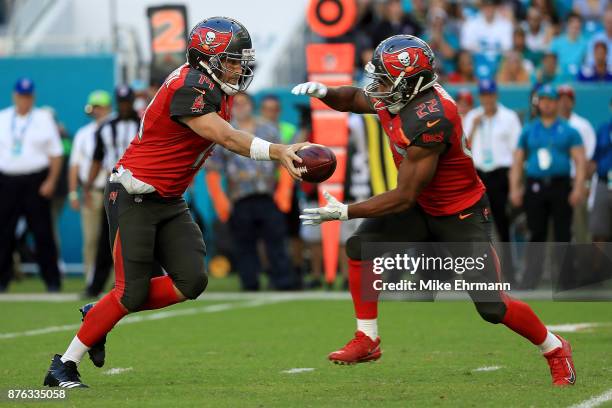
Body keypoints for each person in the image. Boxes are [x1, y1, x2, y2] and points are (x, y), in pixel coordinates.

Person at [292, 35, 576, 386]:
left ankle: (554, 347)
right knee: (360, 248)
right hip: (423, 204)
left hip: (459, 213)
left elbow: (405, 196)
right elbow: (353, 97)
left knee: (492, 307)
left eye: (384, 78)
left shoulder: (432, 117)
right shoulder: (397, 95)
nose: (377, 86)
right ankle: (367, 339)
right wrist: (325, 92)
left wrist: (346, 212)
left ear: (410, 84)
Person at [44, 17, 307, 388]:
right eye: (231, 60)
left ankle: (99, 314)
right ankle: (64, 365)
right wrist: (277, 150)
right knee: (130, 291)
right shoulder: (190, 84)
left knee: (192, 280)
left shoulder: (212, 85)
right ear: (207, 58)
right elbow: (224, 136)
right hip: (134, 195)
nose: (238, 67)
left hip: (167, 199)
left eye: (239, 59)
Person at [205, 92, 296, 291]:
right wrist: (221, 201)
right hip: (239, 198)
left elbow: (284, 160)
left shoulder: (268, 128)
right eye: (235, 103)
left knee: (276, 240)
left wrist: (284, 194)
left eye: (243, 103)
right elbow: (213, 169)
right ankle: (250, 283)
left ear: (251, 106)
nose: (240, 107)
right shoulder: (224, 132)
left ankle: (283, 281)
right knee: (244, 244)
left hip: (267, 195)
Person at [509, 85, 587, 289]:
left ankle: (566, 280)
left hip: (560, 184)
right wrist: (515, 188)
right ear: (538, 103)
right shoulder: (528, 129)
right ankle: (530, 279)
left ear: (556, 102)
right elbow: (518, 160)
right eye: (542, 100)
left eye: (550, 100)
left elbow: (580, 160)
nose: (546, 103)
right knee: (536, 232)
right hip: (535, 185)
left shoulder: (569, 130)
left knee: (562, 232)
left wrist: (578, 187)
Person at [0, 78, 64, 292]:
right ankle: (2, 279)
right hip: (7, 180)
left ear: (33, 97)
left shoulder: (43, 118)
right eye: (21, 95)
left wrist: (51, 180)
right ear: (14, 96)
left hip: (36, 181)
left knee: (42, 232)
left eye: (28, 96)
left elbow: (56, 153)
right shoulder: (3, 118)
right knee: (4, 232)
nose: (24, 100)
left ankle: (52, 280)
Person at [82, 85, 141, 298]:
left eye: (127, 102)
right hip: (115, 187)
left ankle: (152, 280)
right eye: (121, 102)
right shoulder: (106, 128)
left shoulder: (143, 124)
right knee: (107, 238)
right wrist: (88, 186)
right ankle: (95, 286)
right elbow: (97, 159)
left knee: (144, 235)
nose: (125, 106)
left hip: (140, 187)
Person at [463, 79, 521, 281]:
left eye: (490, 95)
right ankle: (482, 273)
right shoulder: (472, 116)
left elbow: (516, 153)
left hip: (499, 174)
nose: (487, 99)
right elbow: (464, 148)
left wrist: (515, 184)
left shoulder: (509, 117)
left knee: (503, 225)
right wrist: (474, 127)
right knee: (478, 226)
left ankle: (510, 273)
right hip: (478, 174)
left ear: (496, 95)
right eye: (484, 95)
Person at [68, 90, 112, 286]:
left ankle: (113, 282)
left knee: (112, 239)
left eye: (99, 107)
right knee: (91, 238)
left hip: (113, 190)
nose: (96, 112)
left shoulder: (116, 129)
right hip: (92, 191)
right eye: (94, 108)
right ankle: (91, 280)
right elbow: (74, 165)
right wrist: (73, 193)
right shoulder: (83, 134)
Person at [558, 84, 596, 243]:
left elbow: (590, 160)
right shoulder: (550, 125)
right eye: (560, 99)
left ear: (573, 102)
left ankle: (583, 266)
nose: (564, 103)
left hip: (577, 181)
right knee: (558, 229)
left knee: (580, 229)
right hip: (557, 182)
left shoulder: (583, 125)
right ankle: (557, 266)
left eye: (568, 99)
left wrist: (584, 184)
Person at [590, 101, 612, 242]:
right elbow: (595, 158)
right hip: (604, 182)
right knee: (600, 231)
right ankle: (600, 264)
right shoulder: (604, 129)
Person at [549, 12, 588, 78]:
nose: (575, 30)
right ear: (567, 25)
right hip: (560, 76)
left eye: (577, 27)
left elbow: (586, 64)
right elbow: (551, 62)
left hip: (578, 77)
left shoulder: (585, 44)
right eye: (573, 26)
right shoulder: (556, 42)